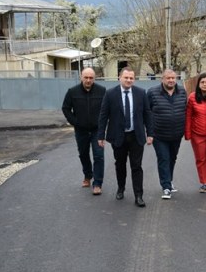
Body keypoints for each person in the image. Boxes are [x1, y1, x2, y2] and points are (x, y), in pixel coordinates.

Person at [97, 67, 154, 207]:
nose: (129, 80)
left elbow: (147, 114)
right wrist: (100, 136)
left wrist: (150, 133)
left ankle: (139, 195)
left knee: (137, 166)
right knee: (120, 164)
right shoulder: (110, 94)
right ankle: (121, 188)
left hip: (136, 136)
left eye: (131, 78)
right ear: (120, 78)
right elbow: (103, 115)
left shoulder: (141, 93)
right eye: (126, 77)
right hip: (118, 136)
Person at [61, 67, 106, 195]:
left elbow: (106, 109)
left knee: (99, 156)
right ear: (81, 77)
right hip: (81, 131)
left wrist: (103, 125)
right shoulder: (72, 92)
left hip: (97, 130)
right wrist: (75, 122)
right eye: (86, 77)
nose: (88, 80)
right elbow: (65, 108)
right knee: (83, 154)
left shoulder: (102, 91)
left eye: (91, 78)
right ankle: (87, 175)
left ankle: (97, 183)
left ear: (94, 78)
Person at [147, 69, 187, 200]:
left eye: (173, 78)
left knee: (172, 158)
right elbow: (147, 113)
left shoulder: (182, 92)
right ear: (162, 79)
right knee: (164, 159)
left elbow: (185, 110)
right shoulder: (152, 92)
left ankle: (168, 181)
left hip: (176, 134)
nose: (171, 80)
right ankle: (166, 186)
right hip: (159, 134)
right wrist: (149, 132)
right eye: (168, 78)